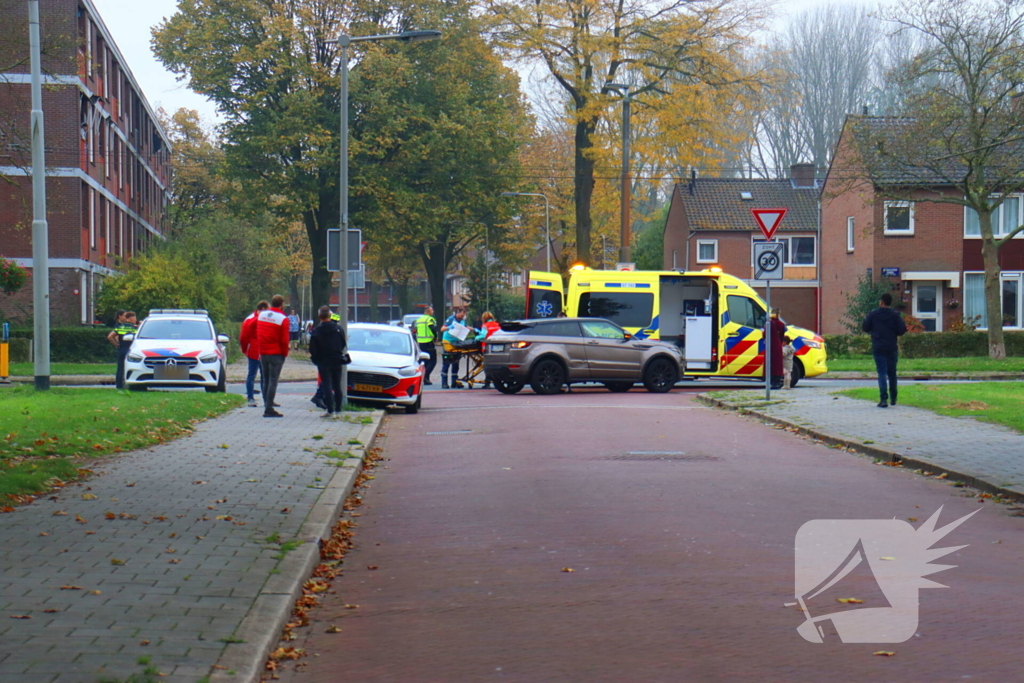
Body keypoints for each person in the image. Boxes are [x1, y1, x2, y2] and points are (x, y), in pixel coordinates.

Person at [862, 291, 907, 408]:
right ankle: (893, 398)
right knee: (892, 373)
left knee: (881, 372)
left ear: (881, 302)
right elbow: (901, 330)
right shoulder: (895, 315)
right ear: (890, 303)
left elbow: (865, 328)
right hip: (892, 346)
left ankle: (883, 399)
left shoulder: (873, 314)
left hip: (879, 347)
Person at [308, 305, 347, 418]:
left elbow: (313, 348)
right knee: (337, 384)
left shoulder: (316, 331)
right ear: (330, 315)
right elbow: (343, 343)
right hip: (337, 359)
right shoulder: (338, 329)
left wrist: (316, 358)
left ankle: (330, 410)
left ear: (319, 316)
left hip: (323, 360)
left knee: (327, 385)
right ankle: (339, 409)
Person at [256, 294, 291, 417]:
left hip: (263, 352)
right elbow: (284, 340)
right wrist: (285, 353)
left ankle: (266, 404)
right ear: (282, 305)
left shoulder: (262, 315)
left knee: (265, 379)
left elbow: (258, 333)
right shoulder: (283, 319)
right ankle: (269, 408)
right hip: (276, 353)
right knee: (273, 380)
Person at [239, 300, 269, 407]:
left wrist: (244, 349)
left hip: (256, 350)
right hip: (257, 350)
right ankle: (261, 398)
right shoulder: (253, 320)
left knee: (256, 375)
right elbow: (244, 336)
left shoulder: (250, 318)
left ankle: (253, 398)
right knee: (259, 375)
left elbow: (243, 337)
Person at [440, 308, 471, 389]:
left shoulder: (463, 321)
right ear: (457, 313)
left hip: (457, 343)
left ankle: (454, 382)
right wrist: (449, 327)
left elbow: (466, 327)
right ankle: (444, 382)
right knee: (446, 362)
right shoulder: (451, 319)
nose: (462, 316)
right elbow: (442, 329)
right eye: (461, 315)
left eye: (464, 315)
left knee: (455, 363)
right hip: (448, 342)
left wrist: (475, 330)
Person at [107, 310, 136, 390]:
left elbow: (110, 337)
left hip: (122, 349)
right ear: (130, 319)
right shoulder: (135, 328)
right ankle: (131, 385)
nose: (135, 320)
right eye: (134, 318)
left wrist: (117, 344)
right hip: (131, 350)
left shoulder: (120, 327)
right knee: (132, 367)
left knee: (120, 368)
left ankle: (119, 385)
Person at [413, 305, 438, 385]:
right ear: (428, 311)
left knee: (424, 360)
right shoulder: (429, 319)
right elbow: (432, 328)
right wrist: (436, 337)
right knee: (433, 361)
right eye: (432, 310)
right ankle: (426, 377)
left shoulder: (418, 320)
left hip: (421, 343)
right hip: (429, 342)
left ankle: (420, 376)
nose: (433, 311)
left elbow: (415, 330)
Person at [476, 311, 500, 390]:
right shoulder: (497, 324)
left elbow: (483, 336)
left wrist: (476, 338)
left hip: (487, 349)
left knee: (487, 366)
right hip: (498, 348)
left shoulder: (485, 326)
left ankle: (487, 383)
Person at [768, 308, 787, 390]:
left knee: (771, 364)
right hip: (777, 346)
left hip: (769, 346)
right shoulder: (781, 324)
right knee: (777, 365)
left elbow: (764, 334)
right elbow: (782, 336)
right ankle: (777, 381)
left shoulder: (768, 323)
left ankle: (771, 381)